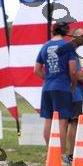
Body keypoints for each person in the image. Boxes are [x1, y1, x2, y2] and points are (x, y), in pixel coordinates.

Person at [34, 21, 77, 155]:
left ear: (53, 31)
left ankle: (51, 154)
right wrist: (73, 85)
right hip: (62, 87)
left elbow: (36, 70)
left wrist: (48, 78)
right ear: (66, 32)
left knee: (48, 120)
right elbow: (73, 70)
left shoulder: (45, 46)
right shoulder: (68, 46)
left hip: (47, 88)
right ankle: (61, 155)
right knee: (62, 122)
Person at [64, 28, 83, 163]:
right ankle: (71, 154)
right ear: (73, 37)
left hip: (65, 91)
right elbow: (77, 75)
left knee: (65, 123)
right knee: (73, 122)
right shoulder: (71, 52)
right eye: (81, 35)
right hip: (74, 92)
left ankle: (63, 154)